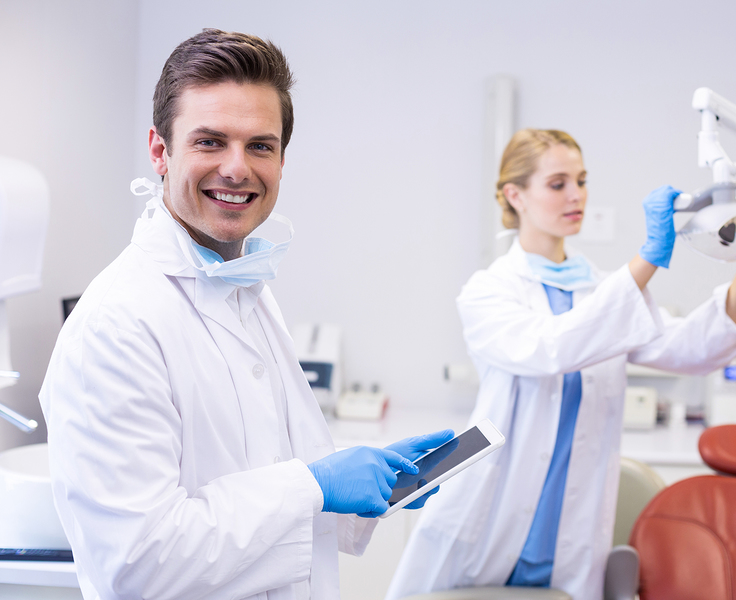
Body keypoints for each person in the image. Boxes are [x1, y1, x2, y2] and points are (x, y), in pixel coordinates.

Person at [38, 29, 452, 600]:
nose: (237, 169)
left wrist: (372, 484)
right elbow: (134, 564)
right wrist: (314, 484)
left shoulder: (245, 288)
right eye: (210, 141)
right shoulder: (115, 323)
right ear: (160, 151)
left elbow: (267, 474)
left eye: (261, 145)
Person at [386, 129, 736, 600]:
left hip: (568, 530)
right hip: (487, 512)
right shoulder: (489, 290)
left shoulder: (600, 290)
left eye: (581, 180)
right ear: (515, 195)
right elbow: (552, 348)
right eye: (558, 183)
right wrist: (647, 259)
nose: (577, 194)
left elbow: (692, 349)